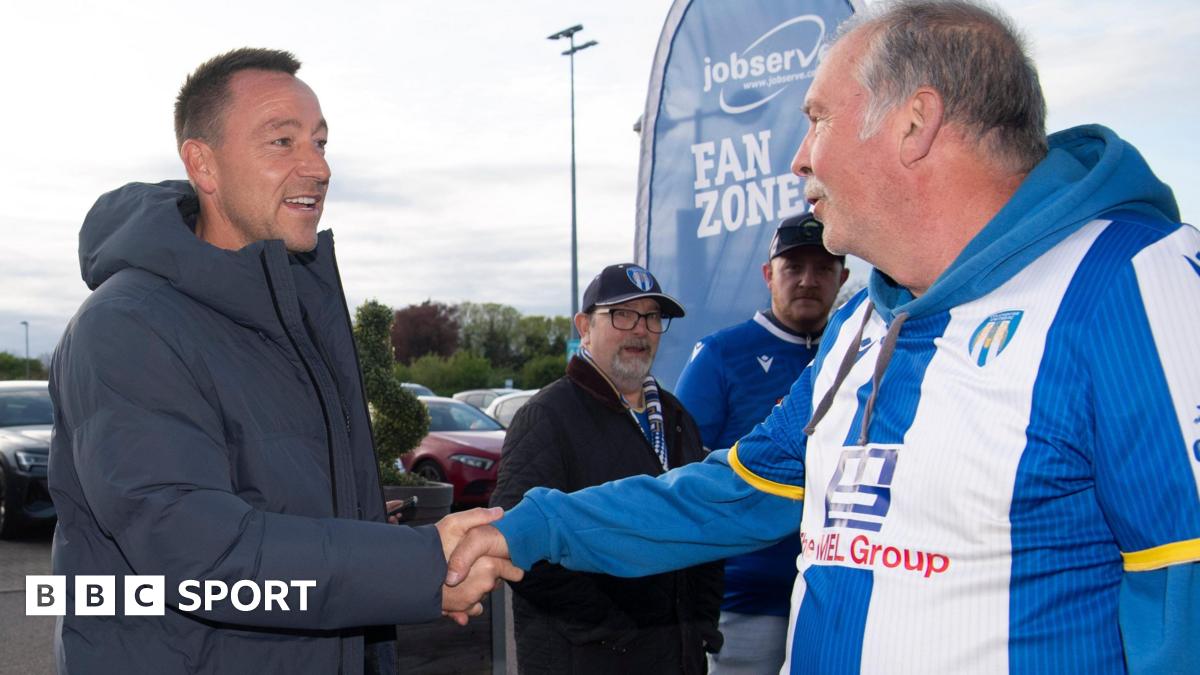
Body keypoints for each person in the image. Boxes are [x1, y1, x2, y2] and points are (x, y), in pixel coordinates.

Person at [446, 2, 1200, 673]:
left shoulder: (1133, 282)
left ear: (914, 123)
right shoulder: (861, 323)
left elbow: (1183, 595)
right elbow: (733, 494)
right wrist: (535, 525)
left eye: (817, 119)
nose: (799, 157)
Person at [48, 48, 519, 675]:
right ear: (203, 164)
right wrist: (421, 566)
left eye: (321, 143)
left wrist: (379, 547)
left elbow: (276, 498)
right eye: (282, 142)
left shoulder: (294, 317)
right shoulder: (127, 326)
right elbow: (200, 554)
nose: (317, 167)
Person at [489, 263, 723, 674]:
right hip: (588, 658)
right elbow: (516, 541)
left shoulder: (676, 416)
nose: (640, 329)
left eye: (652, 317)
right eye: (622, 314)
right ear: (584, 326)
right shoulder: (546, 417)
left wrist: (700, 622)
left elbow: (707, 522)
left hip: (675, 655)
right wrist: (611, 629)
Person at [675, 213, 847, 674]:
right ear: (769, 274)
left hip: (838, 599)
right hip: (747, 601)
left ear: (843, 277)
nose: (808, 280)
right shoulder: (721, 354)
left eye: (823, 268)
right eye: (793, 267)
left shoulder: (859, 350)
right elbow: (684, 476)